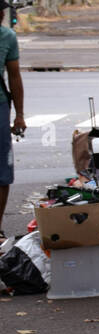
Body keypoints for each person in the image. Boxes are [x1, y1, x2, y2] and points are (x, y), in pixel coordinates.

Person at [1, 23, 25, 240]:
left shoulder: (7, 36)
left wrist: (19, 114)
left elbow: (14, 76)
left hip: (0, 107)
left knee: (2, 173)